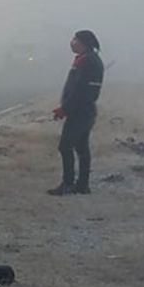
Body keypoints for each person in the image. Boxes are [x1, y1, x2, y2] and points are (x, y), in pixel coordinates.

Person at [48, 30, 104, 196]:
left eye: (75, 39)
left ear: (84, 42)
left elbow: (80, 90)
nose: (72, 42)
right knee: (81, 147)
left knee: (65, 146)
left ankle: (68, 183)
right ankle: (82, 185)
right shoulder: (85, 60)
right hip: (81, 111)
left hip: (81, 111)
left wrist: (65, 108)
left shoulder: (89, 62)